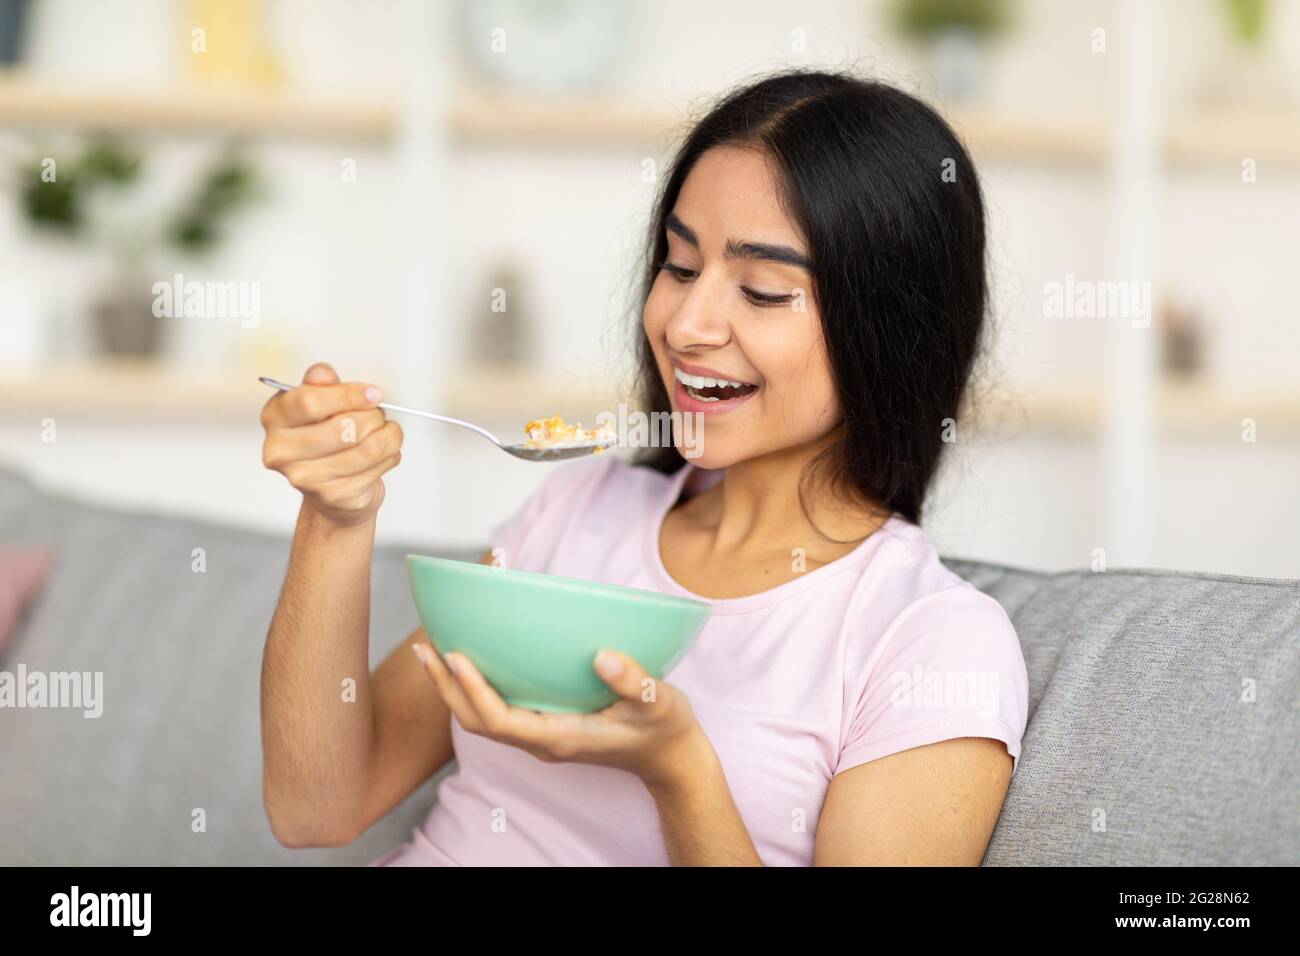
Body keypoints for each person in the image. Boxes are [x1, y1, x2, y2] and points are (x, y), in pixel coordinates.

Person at [258, 68, 1029, 866]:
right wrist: (336, 515)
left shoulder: (931, 642)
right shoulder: (578, 513)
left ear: (892, 328)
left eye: (763, 291)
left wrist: (679, 771)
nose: (687, 324)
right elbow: (317, 805)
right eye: (681, 266)